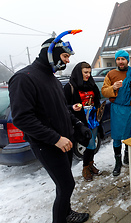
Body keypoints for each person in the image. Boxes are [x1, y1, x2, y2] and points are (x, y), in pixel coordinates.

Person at [8, 37, 90, 223]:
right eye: (65, 56)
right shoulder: (24, 78)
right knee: (67, 184)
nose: (68, 61)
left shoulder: (52, 79)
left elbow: (61, 109)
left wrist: (78, 125)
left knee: (64, 185)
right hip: (47, 145)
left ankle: (67, 213)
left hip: (64, 142)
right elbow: (22, 118)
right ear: (51, 53)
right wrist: (55, 138)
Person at [101, 50, 131, 176]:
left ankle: (127, 158)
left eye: (123, 59)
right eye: (118, 59)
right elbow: (104, 91)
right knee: (116, 136)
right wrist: (113, 88)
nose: (121, 61)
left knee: (130, 135)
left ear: (127, 60)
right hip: (117, 109)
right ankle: (118, 162)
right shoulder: (110, 74)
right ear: (116, 60)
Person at [64, 62, 102, 182]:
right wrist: (72, 107)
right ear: (78, 73)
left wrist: (98, 109)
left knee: (93, 145)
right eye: (85, 72)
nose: (88, 75)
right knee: (90, 144)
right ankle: (85, 168)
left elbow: (97, 99)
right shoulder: (70, 86)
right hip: (80, 121)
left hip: (93, 119)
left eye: (89, 72)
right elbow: (64, 106)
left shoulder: (92, 84)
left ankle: (90, 164)